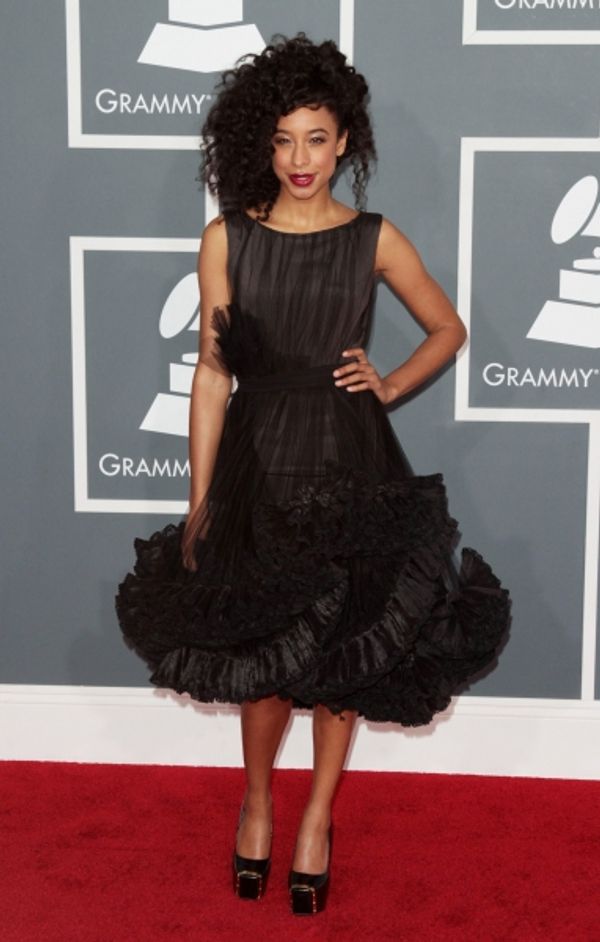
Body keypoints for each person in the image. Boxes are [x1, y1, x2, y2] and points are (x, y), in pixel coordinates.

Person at [115, 32, 511, 916]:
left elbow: (448, 327)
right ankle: (258, 799)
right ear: (263, 141)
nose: (300, 158)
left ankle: (317, 819)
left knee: (345, 658)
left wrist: (391, 382)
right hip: (260, 462)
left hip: (350, 459)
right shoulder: (229, 238)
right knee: (265, 661)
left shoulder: (372, 237)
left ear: (345, 142)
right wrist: (199, 498)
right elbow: (214, 375)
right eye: (284, 139)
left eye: (318, 138)